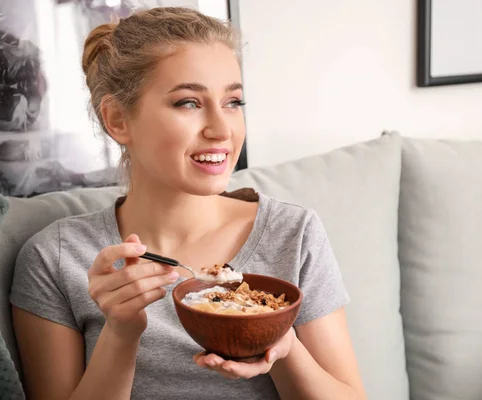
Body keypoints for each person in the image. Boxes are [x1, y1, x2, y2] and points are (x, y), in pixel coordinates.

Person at [9, 7, 366, 400]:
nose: (221, 129)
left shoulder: (293, 234)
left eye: (233, 102)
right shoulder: (56, 257)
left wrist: (281, 344)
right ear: (117, 120)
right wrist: (121, 334)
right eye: (189, 103)